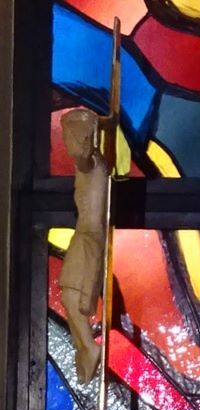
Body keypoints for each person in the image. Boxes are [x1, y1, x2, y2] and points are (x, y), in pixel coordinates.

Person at [58, 108, 109, 383]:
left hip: (88, 236)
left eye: (68, 136)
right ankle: (84, 346)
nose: (66, 143)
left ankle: (88, 347)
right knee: (71, 296)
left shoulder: (90, 164)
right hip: (87, 235)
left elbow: (82, 156)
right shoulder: (93, 165)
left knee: (71, 294)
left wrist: (82, 128)